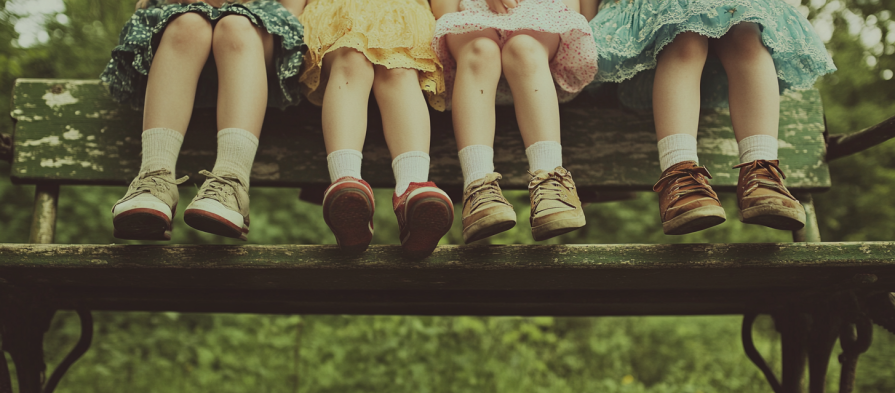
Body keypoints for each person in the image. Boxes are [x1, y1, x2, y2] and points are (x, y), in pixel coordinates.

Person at [583, 0, 836, 235]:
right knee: (685, 35)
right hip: (654, 35)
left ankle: (761, 172)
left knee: (746, 33)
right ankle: (679, 175)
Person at [103, 0, 306, 241]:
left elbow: (291, 10)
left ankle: (231, 182)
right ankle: (155, 178)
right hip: (182, 31)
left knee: (236, 25)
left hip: (255, 35)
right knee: (188, 24)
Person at [432, 0, 599, 242]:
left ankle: (551, 181)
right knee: (480, 50)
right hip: (469, 14)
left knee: (525, 49)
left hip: (538, 14)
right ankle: (478, 186)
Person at [301, 0, 452, 258]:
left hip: (402, 11)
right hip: (338, 11)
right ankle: (347, 188)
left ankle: (411, 191)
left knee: (400, 69)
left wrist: (450, 22)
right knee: (351, 59)